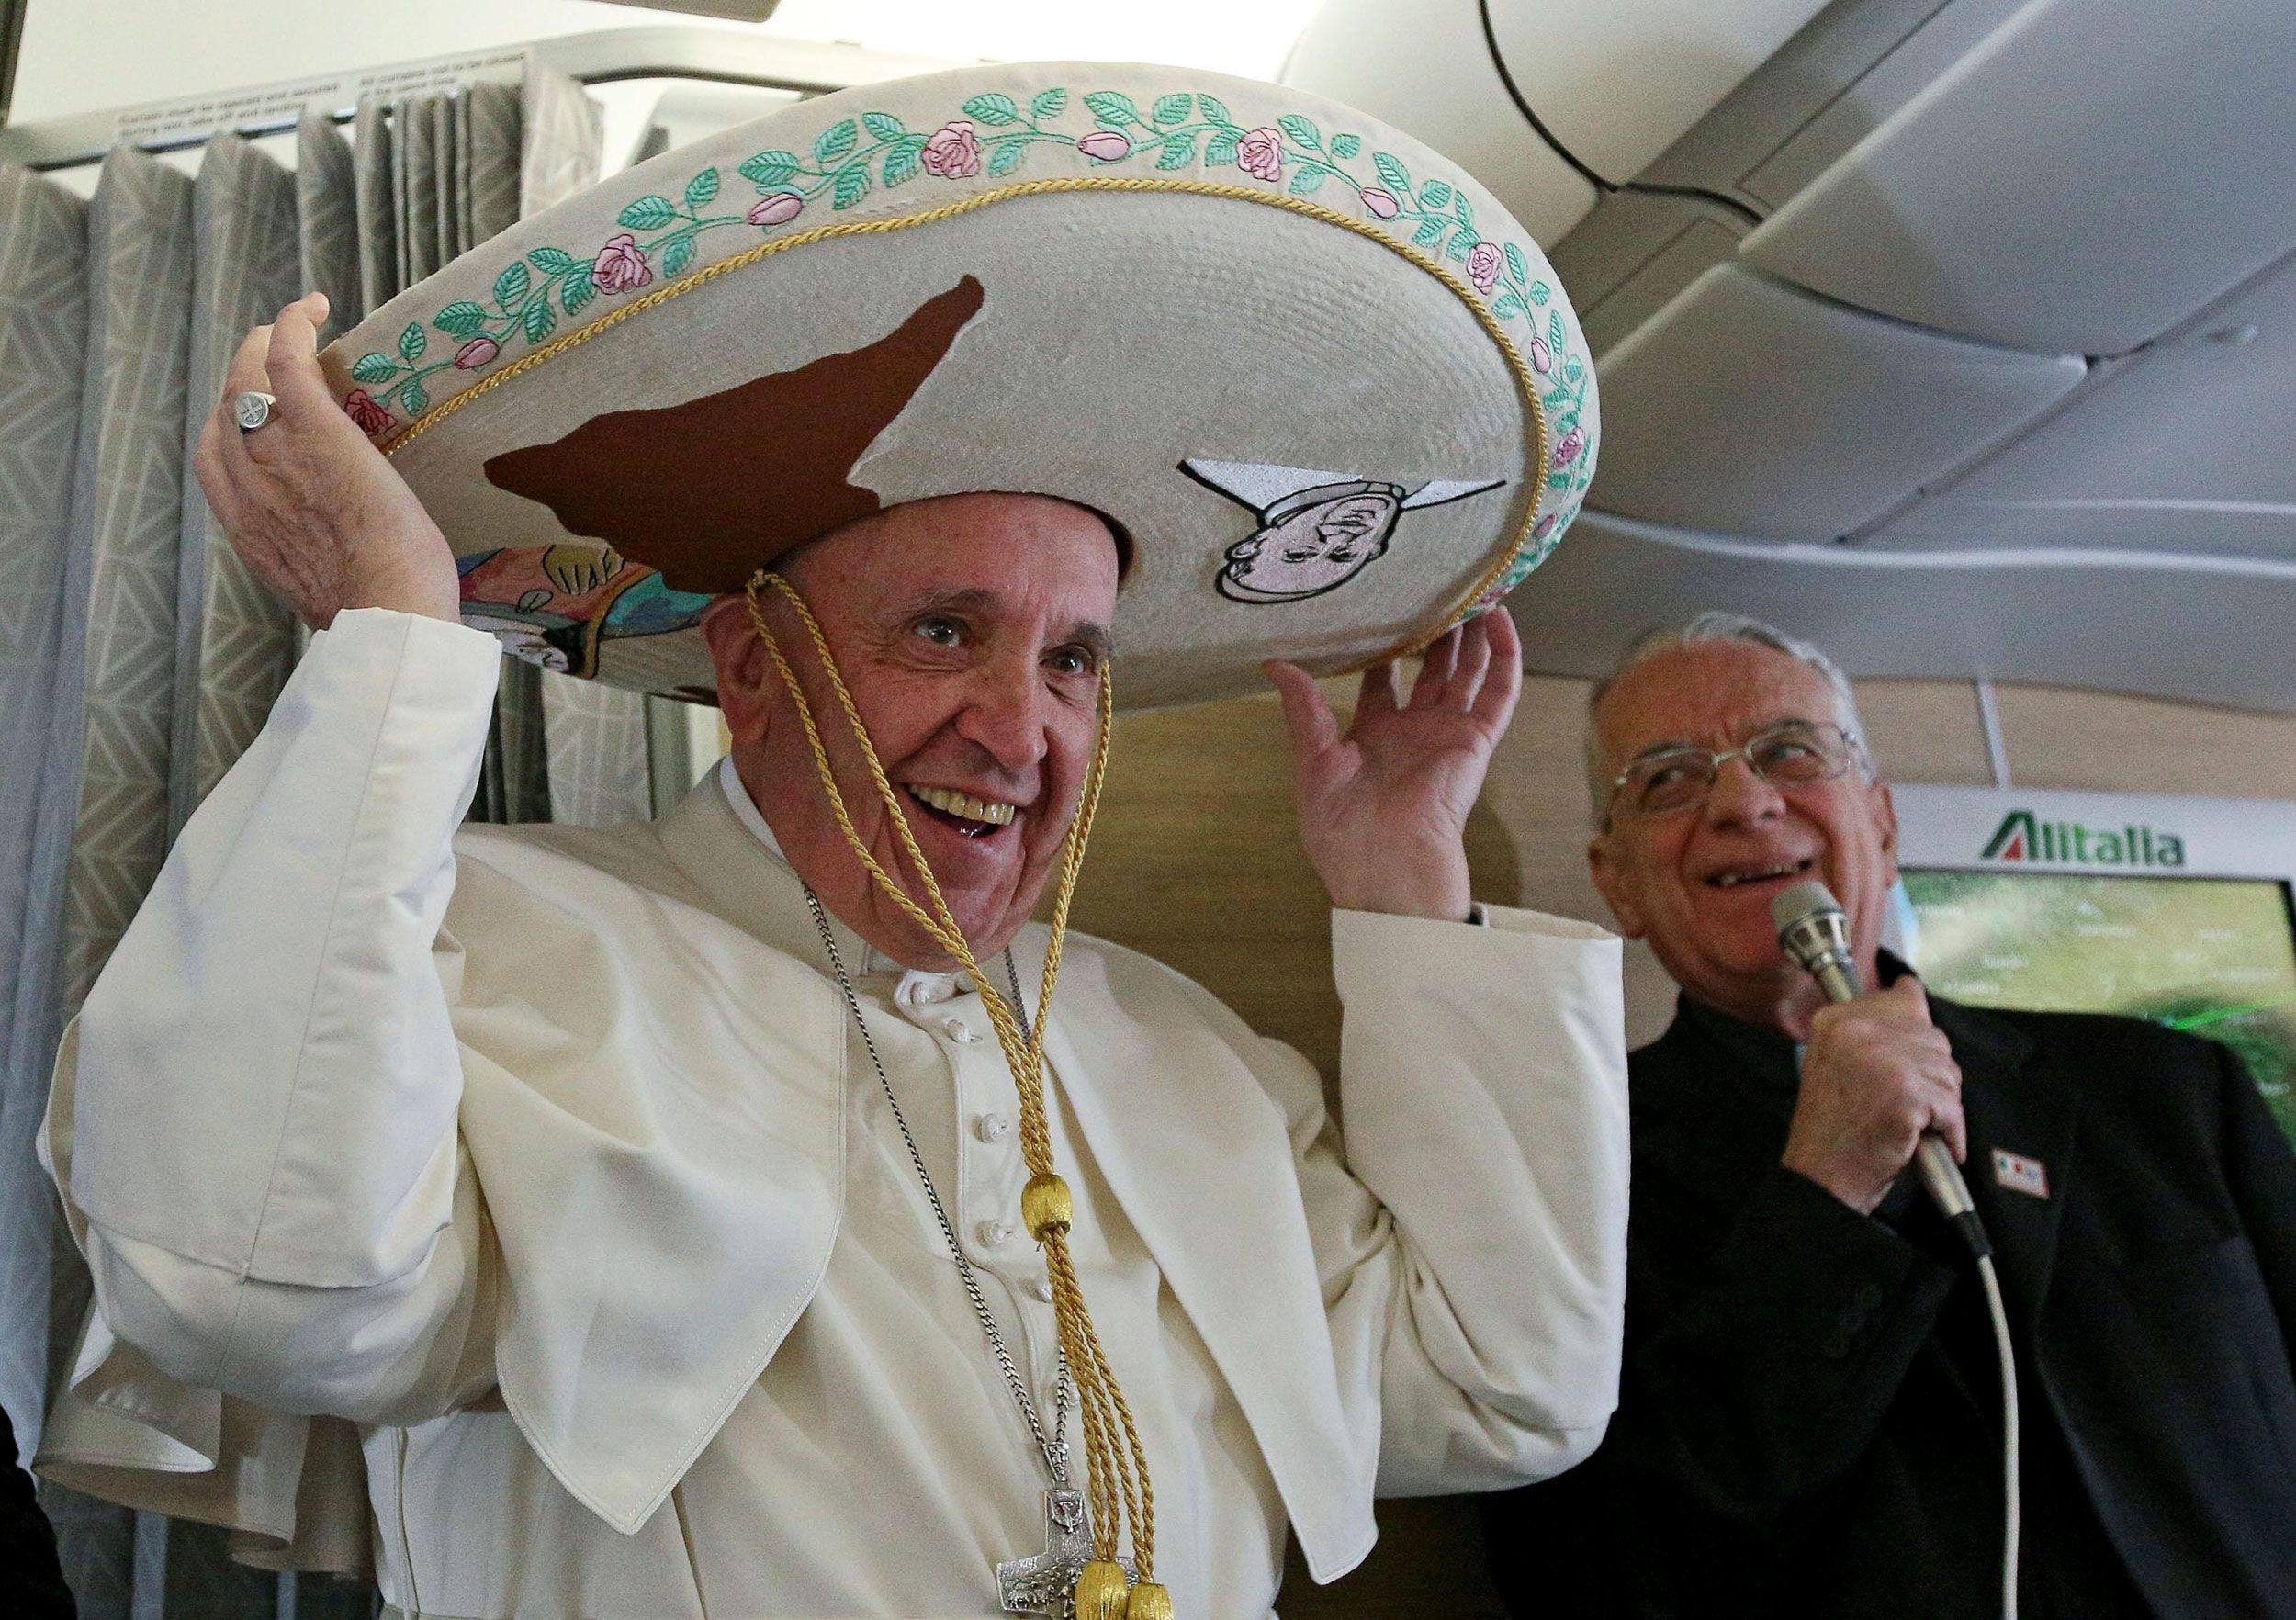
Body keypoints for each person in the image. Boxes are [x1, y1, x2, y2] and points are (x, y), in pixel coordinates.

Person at [34, 63, 1625, 1620]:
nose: (1023, 726)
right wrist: (395, 635)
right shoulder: (482, 945)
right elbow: (249, 1278)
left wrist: (1406, 875)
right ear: (749, 665)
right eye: (946, 629)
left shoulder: (1193, 1054)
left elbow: (1499, 1390)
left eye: (1074, 658)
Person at [1481, 613, 2296, 1617]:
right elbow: (1606, 1572)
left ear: (1882, 824)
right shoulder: (1565, 1179)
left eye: (1787, 751)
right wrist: (1825, 1195)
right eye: (1666, 779)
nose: (1743, 800)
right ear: (1619, 886)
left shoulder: (2169, 1093)